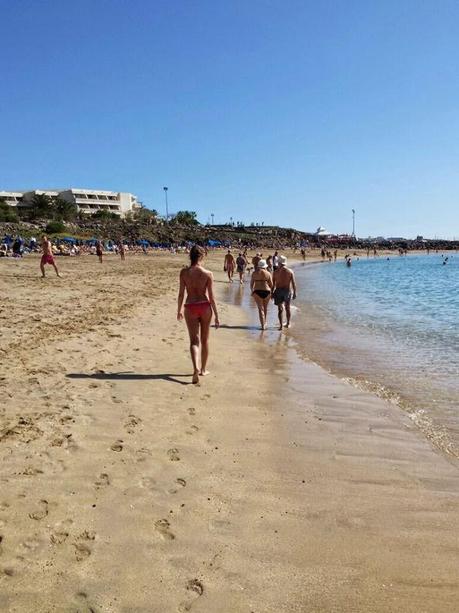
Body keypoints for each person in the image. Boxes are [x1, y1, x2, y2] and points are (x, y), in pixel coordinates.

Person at [177, 245, 220, 384]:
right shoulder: (208, 274)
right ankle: (203, 369)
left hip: (190, 306)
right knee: (205, 340)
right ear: (202, 256)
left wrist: (179, 310)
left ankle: (195, 368)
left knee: (194, 341)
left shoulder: (184, 273)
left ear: (191, 256)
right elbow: (212, 297)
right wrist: (217, 315)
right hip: (205, 306)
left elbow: (181, 294)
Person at [272, 256, 296, 330]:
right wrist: (295, 292)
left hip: (278, 291)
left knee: (280, 309)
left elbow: (273, 284)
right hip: (287, 291)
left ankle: (281, 326)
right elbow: (293, 283)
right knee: (287, 308)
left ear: (279, 263)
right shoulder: (290, 271)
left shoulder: (275, 272)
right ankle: (288, 323)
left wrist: (271, 293)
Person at [250, 259, 273, 330]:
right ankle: (265, 322)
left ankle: (262, 325)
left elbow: (251, 285)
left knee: (260, 309)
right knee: (265, 308)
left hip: (257, 291)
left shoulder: (254, 273)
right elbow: (271, 285)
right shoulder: (268, 273)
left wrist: (252, 291)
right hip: (267, 291)